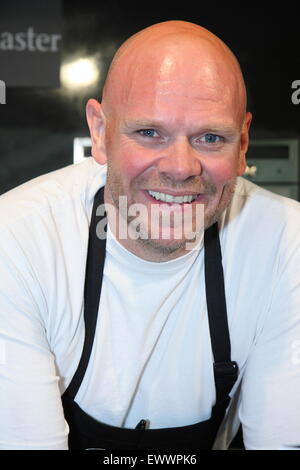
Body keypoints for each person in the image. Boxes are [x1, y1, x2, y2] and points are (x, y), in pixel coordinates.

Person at [0, 20, 300, 451]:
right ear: (100, 132)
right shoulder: (17, 242)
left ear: (243, 143)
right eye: (149, 133)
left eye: (211, 137)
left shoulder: (286, 245)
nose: (181, 167)